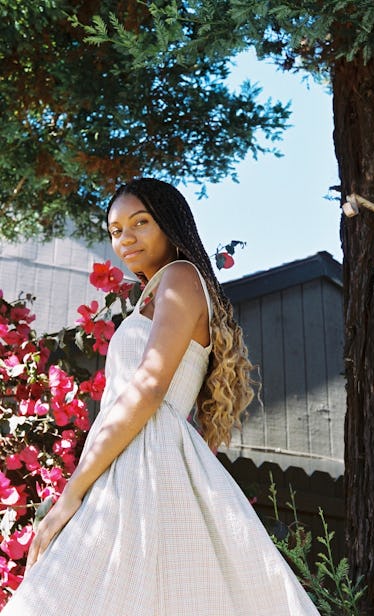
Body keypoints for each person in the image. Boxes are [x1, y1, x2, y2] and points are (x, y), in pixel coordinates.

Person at [2, 178, 320, 615]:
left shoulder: (180, 276)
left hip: (147, 460)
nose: (124, 238)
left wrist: (71, 494)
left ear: (170, 225)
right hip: (136, 460)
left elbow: (149, 386)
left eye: (140, 222)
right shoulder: (157, 293)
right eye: (115, 230)